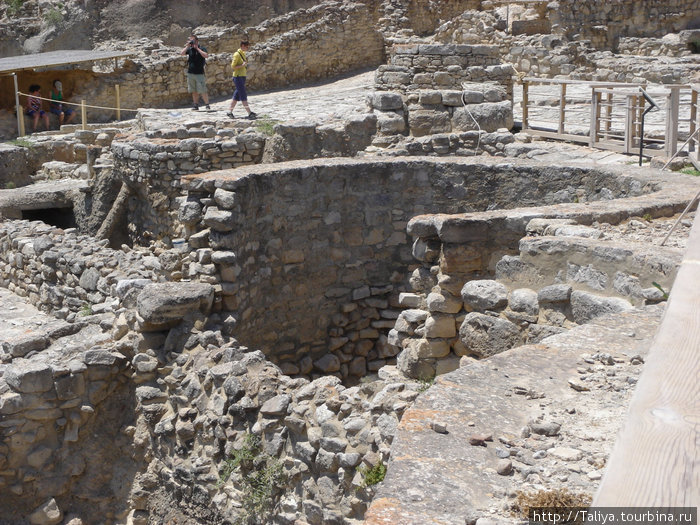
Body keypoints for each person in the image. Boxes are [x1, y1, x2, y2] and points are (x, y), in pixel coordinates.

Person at [226, 40, 257, 120]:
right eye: (247, 47)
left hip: (242, 76)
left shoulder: (243, 53)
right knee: (243, 94)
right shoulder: (237, 54)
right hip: (238, 76)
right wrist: (242, 65)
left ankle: (230, 112)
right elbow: (233, 66)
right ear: (242, 45)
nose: (247, 48)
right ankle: (249, 112)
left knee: (236, 95)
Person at [181, 34, 211, 111]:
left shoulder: (202, 48)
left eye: (192, 40)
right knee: (193, 90)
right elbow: (182, 53)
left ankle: (207, 105)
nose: (191, 42)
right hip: (191, 73)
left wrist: (197, 49)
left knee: (202, 90)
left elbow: (206, 56)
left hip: (199, 73)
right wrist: (187, 46)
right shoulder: (190, 49)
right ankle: (195, 105)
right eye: (190, 40)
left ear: (196, 41)